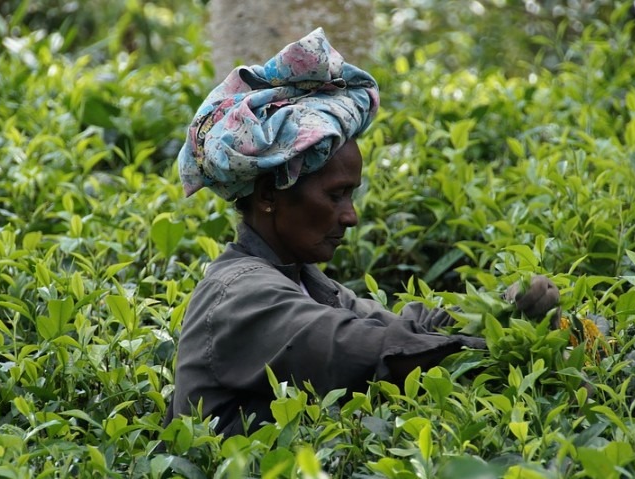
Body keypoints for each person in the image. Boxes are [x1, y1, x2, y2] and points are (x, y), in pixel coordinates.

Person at [165, 28, 559, 437]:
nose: (350, 217)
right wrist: (492, 345)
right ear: (268, 195)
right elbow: (364, 349)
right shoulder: (239, 295)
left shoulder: (304, 282)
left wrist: (502, 308)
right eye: (336, 196)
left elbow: (401, 325)